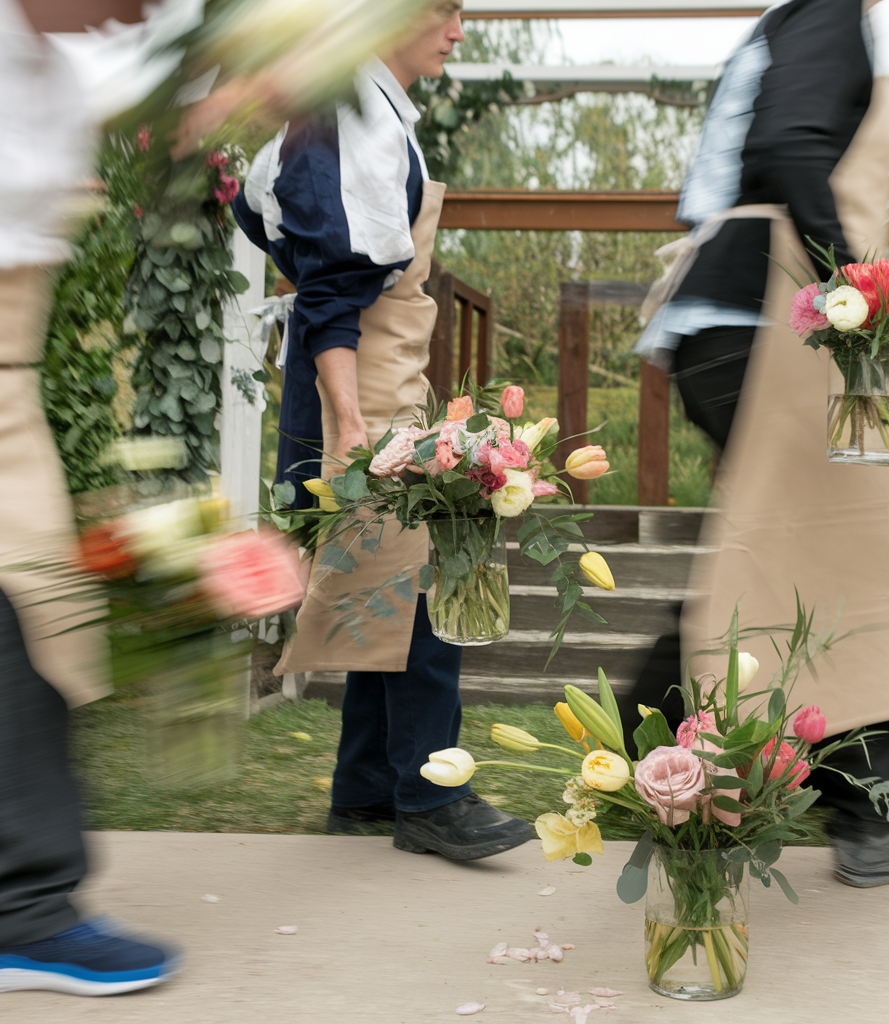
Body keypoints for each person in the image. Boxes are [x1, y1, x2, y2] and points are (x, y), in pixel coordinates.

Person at [627, 0, 889, 887]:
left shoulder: (798, 18)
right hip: (784, 321)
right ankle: (873, 812)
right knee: (844, 553)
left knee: (805, 559)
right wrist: (853, 295)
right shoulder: (828, 12)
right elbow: (792, 145)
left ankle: (854, 802)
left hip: (754, 317)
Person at [232, 0, 535, 861]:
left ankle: (366, 786)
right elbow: (329, 288)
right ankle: (433, 796)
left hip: (371, 368)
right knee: (431, 580)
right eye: (443, 10)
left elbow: (259, 207)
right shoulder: (351, 115)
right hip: (356, 380)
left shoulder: (366, 112)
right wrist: (354, 424)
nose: (458, 28)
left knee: (387, 584)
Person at [0, 0, 176, 995]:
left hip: (8, 381)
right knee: (22, 625)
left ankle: (28, 903)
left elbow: (157, 65)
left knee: (33, 621)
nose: (139, 7)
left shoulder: (63, 62)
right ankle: (26, 909)